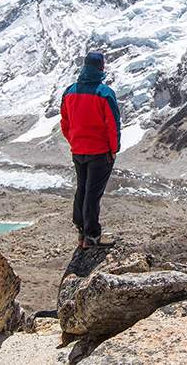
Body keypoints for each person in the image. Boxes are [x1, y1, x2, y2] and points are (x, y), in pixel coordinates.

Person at [60, 51, 121, 248]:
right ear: (101, 68)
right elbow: (113, 124)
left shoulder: (70, 92)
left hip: (78, 151)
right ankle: (92, 237)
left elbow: (65, 123)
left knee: (82, 190)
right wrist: (114, 149)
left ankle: (81, 232)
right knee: (93, 194)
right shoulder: (104, 93)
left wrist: (74, 141)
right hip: (100, 153)